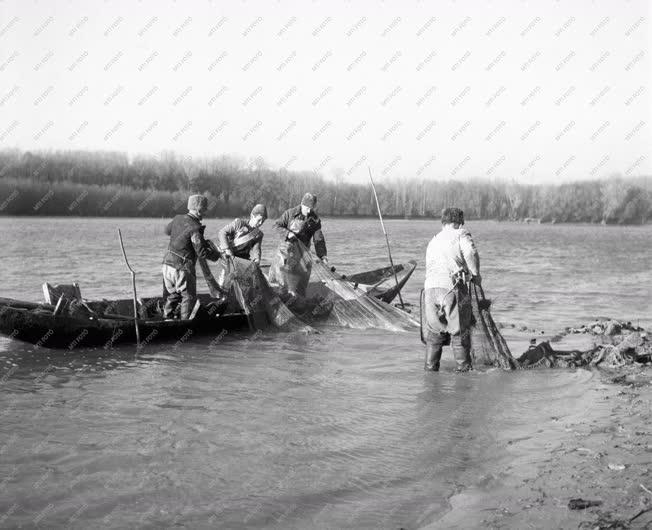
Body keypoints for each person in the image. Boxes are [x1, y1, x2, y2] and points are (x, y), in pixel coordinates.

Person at [423, 207, 480, 372]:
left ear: (443, 222)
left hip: (430, 291)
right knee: (459, 334)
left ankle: (430, 374)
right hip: (451, 288)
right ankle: (464, 376)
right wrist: (475, 274)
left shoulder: (434, 240)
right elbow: (470, 252)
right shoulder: (460, 234)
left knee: (434, 336)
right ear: (459, 222)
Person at [162, 194, 214, 320]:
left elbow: (167, 231)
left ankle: (166, 318)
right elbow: (201, 252)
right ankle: (184, 324)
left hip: (167, 265)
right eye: (205, 209)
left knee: (173, 294)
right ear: (198, 209)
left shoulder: (177, 218)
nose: (205, 213)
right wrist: (216, 254)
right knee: (188, 296)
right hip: (182, 268)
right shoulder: (195, 228)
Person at [269, 192, 327, 296]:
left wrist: (323, 255)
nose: (309, 211)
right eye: (307, 207)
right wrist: (287, 233)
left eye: (311, 208)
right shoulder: (290, 213)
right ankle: (282, 296)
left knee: (302, 279)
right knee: (283, 280)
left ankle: (299, 300)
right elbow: (276, 226)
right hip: (286, 251)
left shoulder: (315, 220)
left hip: (303, 253)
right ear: (302, 204)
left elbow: (318, 239)